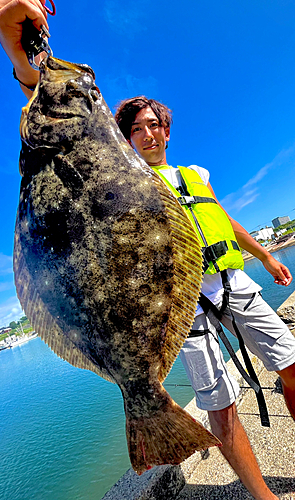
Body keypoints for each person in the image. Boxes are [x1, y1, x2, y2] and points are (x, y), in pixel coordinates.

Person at [0, 2, 294, 499]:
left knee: (291, 363)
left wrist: (265, 256)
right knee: (219, 406)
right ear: (125, 135)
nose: (153, 132)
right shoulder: (109, 159)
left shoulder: (191, 176)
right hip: (183, 305)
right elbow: (36, 82)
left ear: (168, 130)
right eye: (141, 127)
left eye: (159, 124)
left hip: (232, 283)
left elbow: (223, 221)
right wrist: (16, 45)